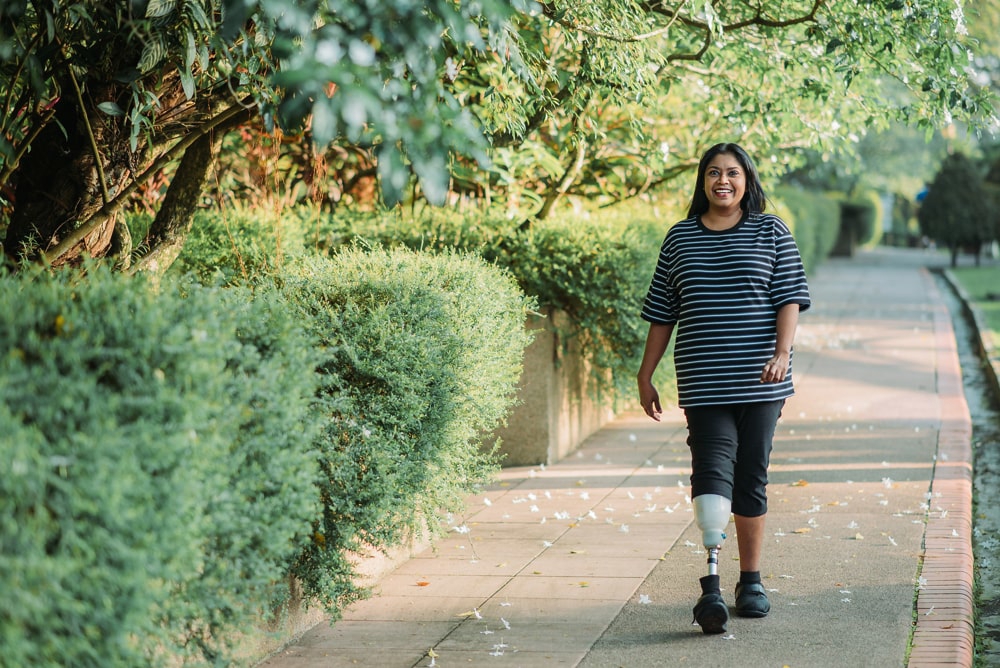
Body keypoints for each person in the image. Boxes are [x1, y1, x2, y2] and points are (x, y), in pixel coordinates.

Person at [636, 142, 811, 634]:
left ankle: (750, 581)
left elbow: (790, 298)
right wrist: (645, 373)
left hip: (760, 382)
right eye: (713, 173)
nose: (723, 181)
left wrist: (781, 353)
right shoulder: (680, 239)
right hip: (703, 381)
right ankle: (710, 584)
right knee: (712, 473)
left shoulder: (770, 230)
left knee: (750, 475)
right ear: (703, 182)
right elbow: (661, 313)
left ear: (746, 180)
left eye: (732, 173)